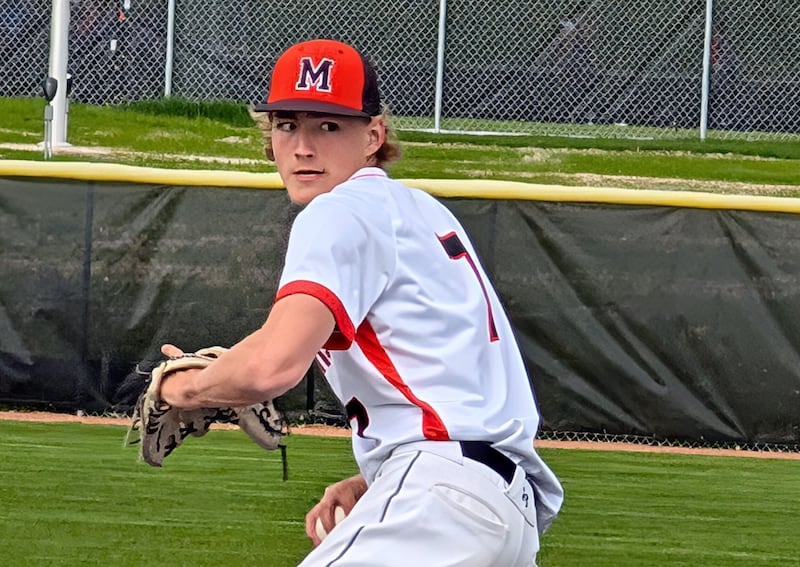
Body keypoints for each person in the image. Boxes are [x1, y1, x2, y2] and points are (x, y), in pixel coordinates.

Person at [158, 38, 563, 566]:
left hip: (443, 499)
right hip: (505, 508)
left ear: (373, 135)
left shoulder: (338, 213)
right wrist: (380, 478)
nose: (303, 146)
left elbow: (271, 366)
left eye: (328, 126)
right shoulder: (421, 211)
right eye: (287, 125)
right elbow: (455, 392)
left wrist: (184, 387)